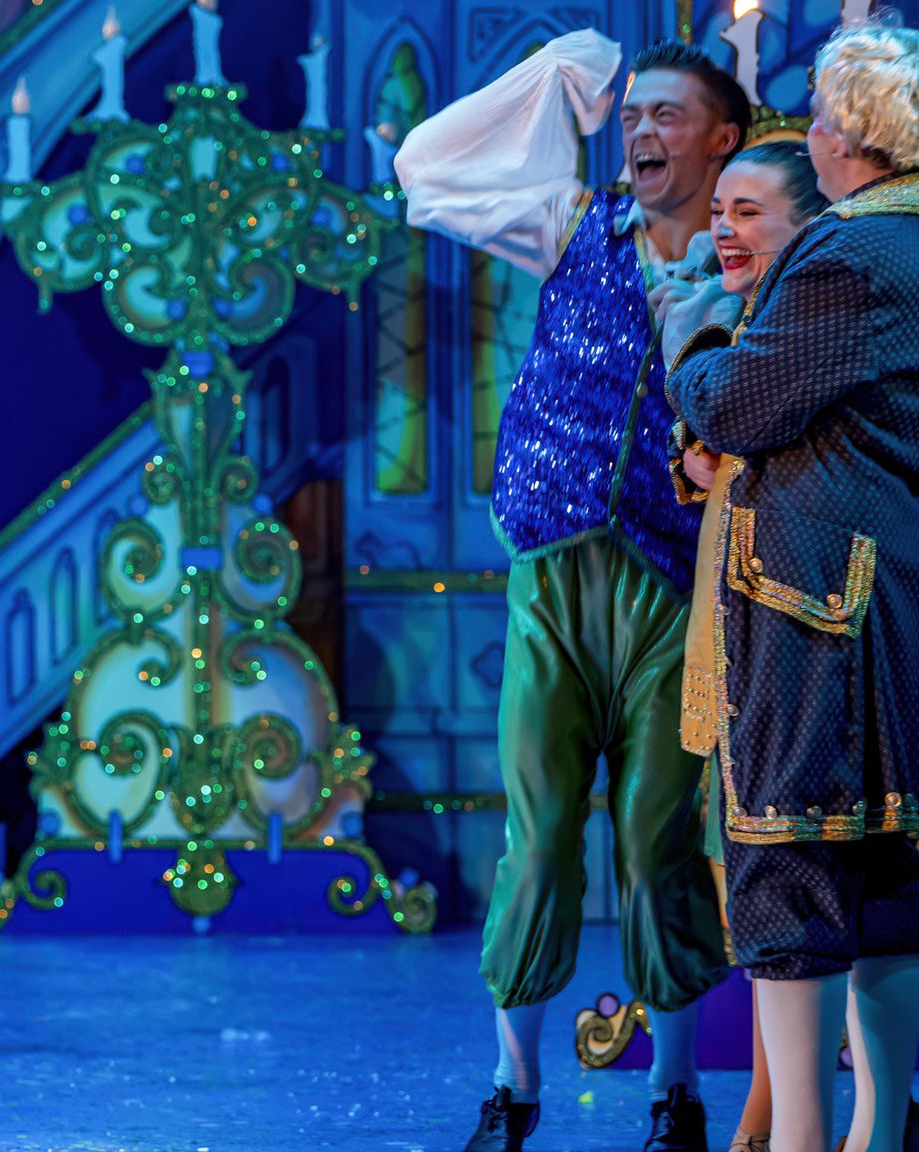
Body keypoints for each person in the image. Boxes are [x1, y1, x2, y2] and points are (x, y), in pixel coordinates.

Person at [395, 32, 746, 1152]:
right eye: (630, 114)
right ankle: (512, 1086)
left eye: (666, 116)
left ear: (722, 140)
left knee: (653, 840)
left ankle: (675, 1092)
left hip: (669, 582)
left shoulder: (753, 261)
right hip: (552, 572)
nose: (640, 132)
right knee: (538, 836)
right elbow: (426, 166)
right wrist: (557, 72)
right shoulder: (570, 225)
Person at [662, 21, 919, 1152]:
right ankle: (870, 1131)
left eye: (816, 117)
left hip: (819, 613)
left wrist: (700, 342)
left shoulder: (851, 255)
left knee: (792, 871)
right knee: (886, 882)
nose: (805, 134)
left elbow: (732, 405)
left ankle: (806, 1143)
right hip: (879, 596)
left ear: (849, 140)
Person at [660, 141, 828, 1152]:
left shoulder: (814, 323)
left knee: (795, 872)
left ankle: (794, 1116)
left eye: (749, 212)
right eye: (716, 210)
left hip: (799, 618)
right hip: (730, 612)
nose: (722, 227)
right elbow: (699, 450)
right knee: (741, 869)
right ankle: (766, 1111)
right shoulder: (736, 318)